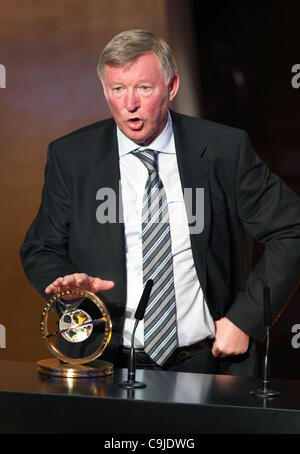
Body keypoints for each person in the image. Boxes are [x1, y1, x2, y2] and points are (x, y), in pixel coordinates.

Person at [20, 29, 300, 377]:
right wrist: (68, 289)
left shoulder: (223, 149)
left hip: (206, 364)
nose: (129, 104)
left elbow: (292, 229)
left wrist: (246, 318)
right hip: (102, 364)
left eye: (144, 88)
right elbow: (39, 248)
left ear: (171, 87)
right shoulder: (71, 157)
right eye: (117, 89)